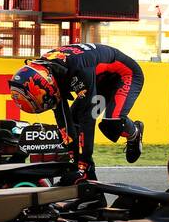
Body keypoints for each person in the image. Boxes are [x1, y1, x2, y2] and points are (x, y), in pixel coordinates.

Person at [8, 43, 145, 181]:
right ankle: (84, 170)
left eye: (43, 99)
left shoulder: (77, 69)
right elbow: (63, 119)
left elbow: (88, 118)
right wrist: (74, 159)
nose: (46, 103)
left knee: (112, 123)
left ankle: (134, 132)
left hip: (125, 75)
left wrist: (84, 164)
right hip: (98, 79)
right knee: (74, 120)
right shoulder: (46, 71)